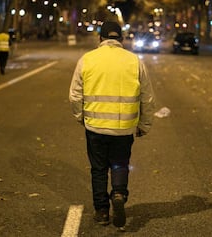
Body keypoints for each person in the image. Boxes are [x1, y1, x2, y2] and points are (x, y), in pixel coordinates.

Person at [69, 21, 155, 228]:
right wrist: (144, 124)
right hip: (124, 127)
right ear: (121, 40)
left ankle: (101, 211)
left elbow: (74, 95)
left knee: (98, 168)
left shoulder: (87, 60)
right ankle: (118, 193)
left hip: (95, 127)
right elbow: (148, 98)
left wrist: (80, 116)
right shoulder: (135, 62)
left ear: (100, 38)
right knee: (120, 163)